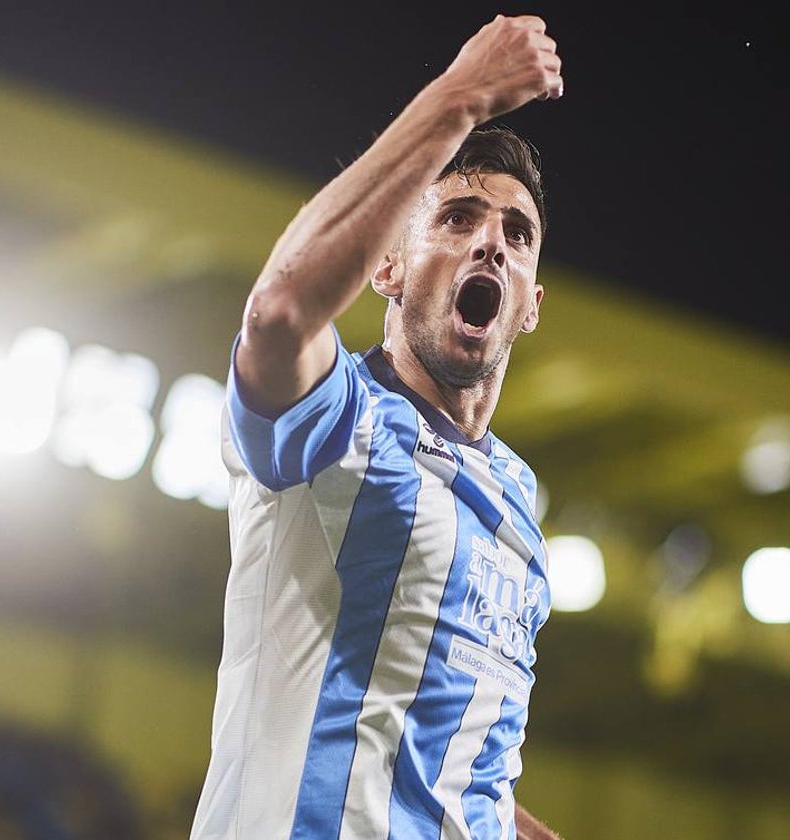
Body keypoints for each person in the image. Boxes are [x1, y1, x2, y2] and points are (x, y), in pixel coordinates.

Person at [189, 14, 564, 840]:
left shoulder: (520, 499)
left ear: (532, 305)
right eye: (458, 219)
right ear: (386, 268)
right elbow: (280, 311)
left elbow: (462, 768)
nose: (491, 245)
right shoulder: (335, 418)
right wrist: (461, 96)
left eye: (516, 233)